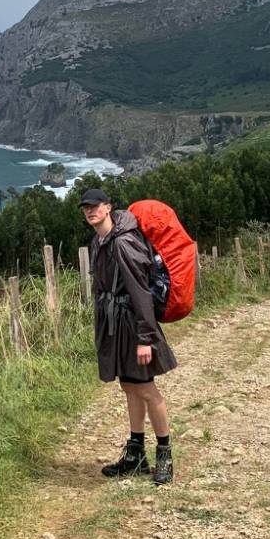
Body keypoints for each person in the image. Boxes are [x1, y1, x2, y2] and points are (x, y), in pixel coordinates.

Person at [81, 187, 177, 485]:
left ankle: (165, 454)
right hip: (115, 325)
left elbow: (140, 291)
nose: (90, 211)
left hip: (134, 326)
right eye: (85, 207)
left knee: (147, 389)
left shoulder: (123, 242)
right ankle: (136, 454)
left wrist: (145, 338)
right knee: (130, 386)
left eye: (96, 206)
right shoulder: (99, 241)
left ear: (108, 207)